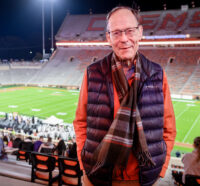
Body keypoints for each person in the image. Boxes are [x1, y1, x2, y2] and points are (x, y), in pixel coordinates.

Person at [73, 6, 176, 186]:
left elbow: (168, 127)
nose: (124, 39)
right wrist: (85, 167)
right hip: (99, 175)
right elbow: (81, 123)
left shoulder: (157, 73)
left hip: (144, 178)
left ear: (140, 33)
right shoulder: (93, 73)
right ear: (108, 37)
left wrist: (161, 168)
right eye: (116, 33)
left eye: (129, 31)